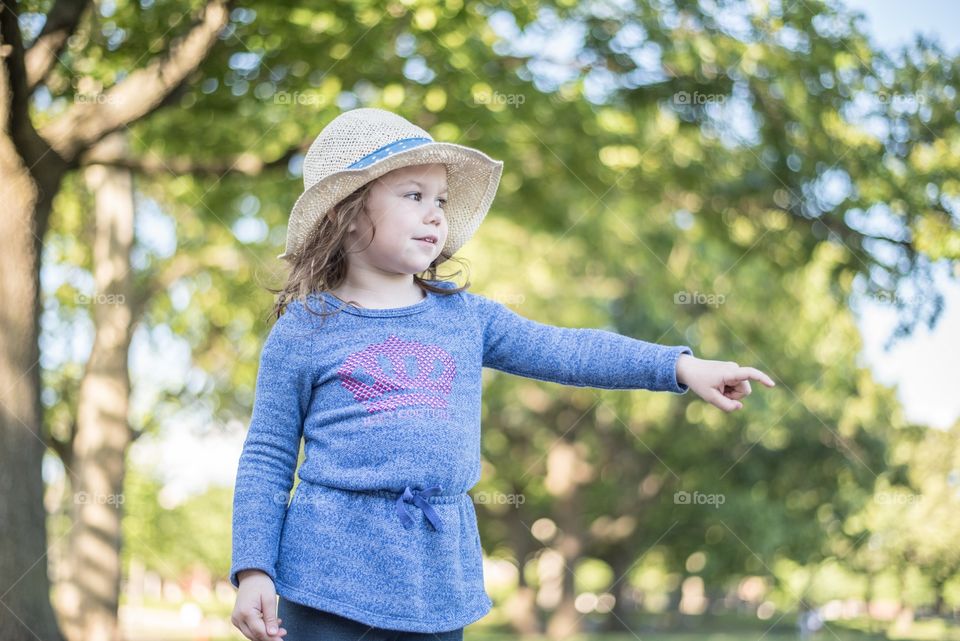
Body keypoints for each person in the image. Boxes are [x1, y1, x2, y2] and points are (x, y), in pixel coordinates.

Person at [228, 108, 776, 641]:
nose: (436, 213)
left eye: (440, 199)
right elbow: (269, 454)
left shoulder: (466, 317)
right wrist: (254, 568)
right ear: (345, 215)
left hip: (438, 579)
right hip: (327, 577)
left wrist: (679, 365)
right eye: (413, 195)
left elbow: (569, 351)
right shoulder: (306, 329)